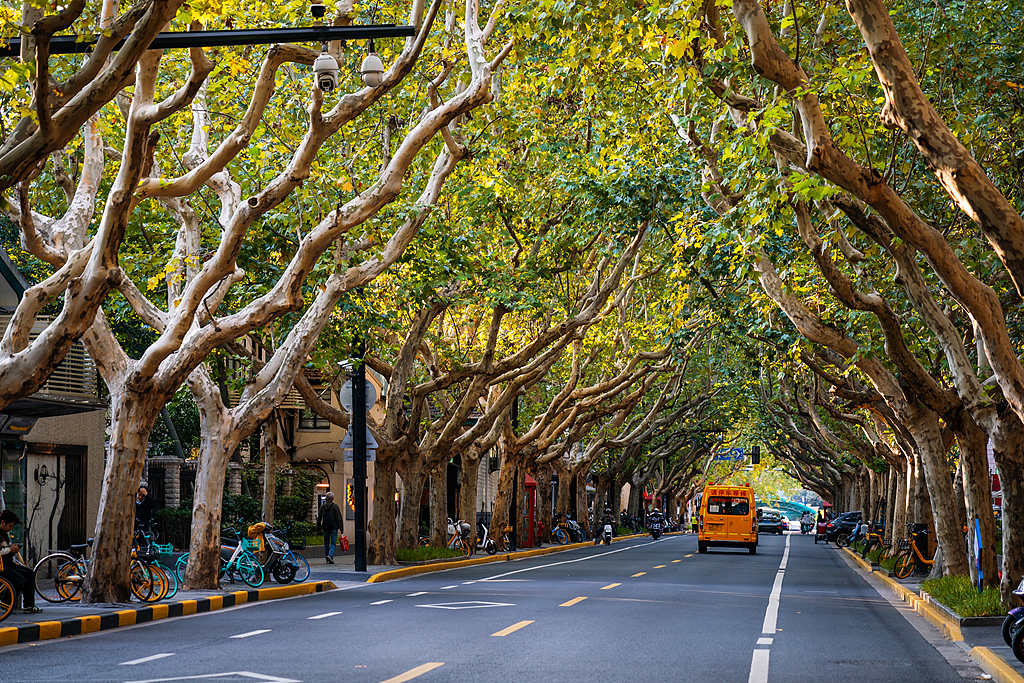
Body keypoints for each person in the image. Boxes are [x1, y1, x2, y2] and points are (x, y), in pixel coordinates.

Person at [0, 510, 42, 614]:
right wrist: (10, 550)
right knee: (20, 580)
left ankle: (29, 605)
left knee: (30, 574)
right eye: (10, 526)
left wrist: (11, 548)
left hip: (8, 564)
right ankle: (6, 603)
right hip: (2, 566)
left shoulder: (4, 534)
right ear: (2, 522)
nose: (11, 529)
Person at [317, 492, 343, 564]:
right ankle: (330, 555)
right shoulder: (335, 507)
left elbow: (319, 518)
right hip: (333, 527)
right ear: (332, 498)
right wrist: (341, 528)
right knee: (333, 543)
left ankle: (327, 558)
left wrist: (318, 528)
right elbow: (338, 518)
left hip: (325, 527)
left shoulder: (322, 507)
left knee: (326, 543)